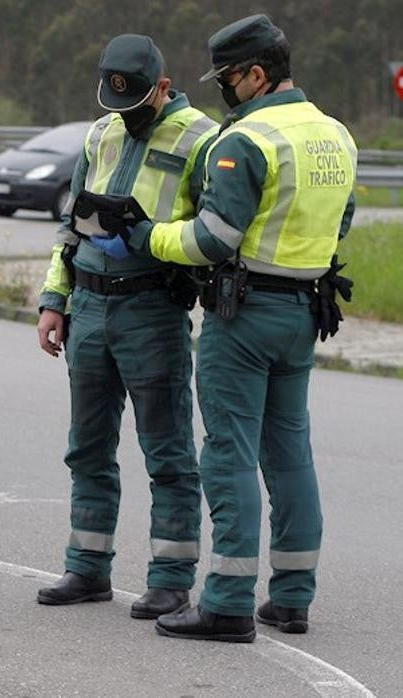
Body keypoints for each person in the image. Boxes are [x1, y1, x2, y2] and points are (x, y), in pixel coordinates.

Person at [116, 15, 357, 642]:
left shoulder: (244, 140)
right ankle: (292, 598)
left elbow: (211, 237)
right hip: (304, 310)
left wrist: (148, 235)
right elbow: (341, 222)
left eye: (228, 78)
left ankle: (224, 602)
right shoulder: (335, 135)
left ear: (257, 73)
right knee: (291, 456)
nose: (225, 89)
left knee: (228, 456)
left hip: (243, 315)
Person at [35, 34, 219, 619]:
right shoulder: (101, 132)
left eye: (137, 103)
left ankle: (170, 578)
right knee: (86, 448)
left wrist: (147, 239)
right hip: (88, 306)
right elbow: (70, 226)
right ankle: (86, 568)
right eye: (115, 104)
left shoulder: (202, 138)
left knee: (167, 452)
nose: (125, 115)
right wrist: (53, 299)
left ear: (163, 86)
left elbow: (212, 235)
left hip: (152, 309)